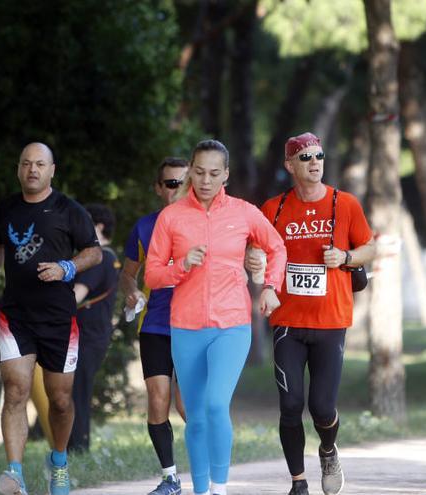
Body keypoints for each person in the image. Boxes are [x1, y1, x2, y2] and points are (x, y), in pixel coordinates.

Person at [144, 139, 286, 495]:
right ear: (190, 170)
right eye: (199, 172)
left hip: (232, 324)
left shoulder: (244, 212)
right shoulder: (171, 217)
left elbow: (276, 246)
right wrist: (181, 265)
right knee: (195, 416)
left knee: (215, 403)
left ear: (226, 175)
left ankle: (220, 488)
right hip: (185, 326)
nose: (205, 180)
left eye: (213, 173)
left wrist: (270, 286)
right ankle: (201, 490)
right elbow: (153, 275)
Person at [247, 132, 376, 495]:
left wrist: (347, 258)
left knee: (321, 407)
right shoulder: (272, 208)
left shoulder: (345, 203)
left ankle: (329, 450)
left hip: (331, 320)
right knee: (290, 405)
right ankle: (298, 482)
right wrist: (253, 260)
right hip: (287, 319)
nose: (314, 162)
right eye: (305, 157)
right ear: (290, 165)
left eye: (318, 155)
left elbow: (370, 248)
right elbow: (254, 253)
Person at [0, 142, 103, 495]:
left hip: (59, 318)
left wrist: (68, 267)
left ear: (51, 170)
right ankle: (14, 472)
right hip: (16, 316)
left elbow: (94, 252)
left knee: (60, 400)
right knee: (15, 390)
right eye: (26, 164)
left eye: (40, 164)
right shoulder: (6, 209)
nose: (32, 169)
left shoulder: (68, 209)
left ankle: (58, 462)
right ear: (18, 169)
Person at [119, 157, 190, 495]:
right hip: (156, 325)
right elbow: (127, 274)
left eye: (184, 182)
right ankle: (170, 478)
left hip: (195, 325)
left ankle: (209, 476)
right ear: (159, 189)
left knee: (187, 406)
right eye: (171, 183)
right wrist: (131, 293)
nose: (178, 189)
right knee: (158, 400)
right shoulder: (144, 227)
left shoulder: (204, 224)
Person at [68, 204, 120, 453]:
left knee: (77, 393)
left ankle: (78, 447)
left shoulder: (100, 257)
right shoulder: (111, 257)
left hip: (87, 337)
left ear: (98, 226)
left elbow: (76, 296)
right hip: (94, 336)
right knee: (77, 391)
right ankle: (76, 445)